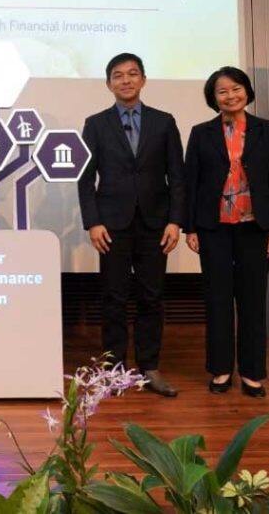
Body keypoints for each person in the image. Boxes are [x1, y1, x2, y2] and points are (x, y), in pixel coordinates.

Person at [78, 52, 185, 397]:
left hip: (155, 223)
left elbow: (177, 176)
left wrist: (175, 221)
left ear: (143, 79)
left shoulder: (164, 122)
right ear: (109, 83)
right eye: (118, 75)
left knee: (152, 297)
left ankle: (149, 367)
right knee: (114, 297)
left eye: (132, 73)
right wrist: (93, 222)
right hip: (111, 225)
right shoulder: (96, 124)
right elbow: (85, 179)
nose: (125, 80)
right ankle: (114, 370)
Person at [183, 66, 269, 398]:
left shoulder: (267, 130)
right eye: (222, 91)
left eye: (236, 88)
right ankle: (220, 370)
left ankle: (252, 373)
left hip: (255, 227)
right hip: (213, 228)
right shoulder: (201, 133)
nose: (230, 96)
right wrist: (190, 227)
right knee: (217, 300)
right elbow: (190, 183)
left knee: (252, 301)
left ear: (246, 90)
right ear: (213, 98)